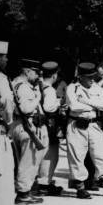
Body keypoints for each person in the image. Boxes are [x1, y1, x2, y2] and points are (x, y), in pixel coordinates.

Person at [66, 63, 103, 199]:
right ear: (81, 77)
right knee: (77, 156)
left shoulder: (96, 87)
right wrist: (92, 104)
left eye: (93, 77)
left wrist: (86, 101)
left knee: (101, 154)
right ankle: (80, 188)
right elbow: (74, 106)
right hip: (77, 125)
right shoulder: (72, 88)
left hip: (94, 125)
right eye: (88, 77)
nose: (92, 80)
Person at [0, 40, 25, 205]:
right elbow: (6, 102)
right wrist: (7, 120)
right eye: (3, 57)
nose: (6, 60)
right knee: (1, 191)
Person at [11, 58, 48, 205]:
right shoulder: (23, 86)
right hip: (28, 126)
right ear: (27, 71)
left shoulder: (18, 84)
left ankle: (24, 190)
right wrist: (38, 96)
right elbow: (26, 109)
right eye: (35, 72)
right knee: (29, 161)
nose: (38, 76)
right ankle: (23, 193)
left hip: (23, 125)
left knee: (26, 161)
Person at [34, 61, 64, 195]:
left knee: (38, 155)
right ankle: (44, 183)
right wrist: (59, 106)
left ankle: (39, 181)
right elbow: (48, 108)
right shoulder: (50, 90)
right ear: (54, 76)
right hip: (49, 125)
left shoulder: (36, 86)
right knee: (51, 155)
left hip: (36, 124)